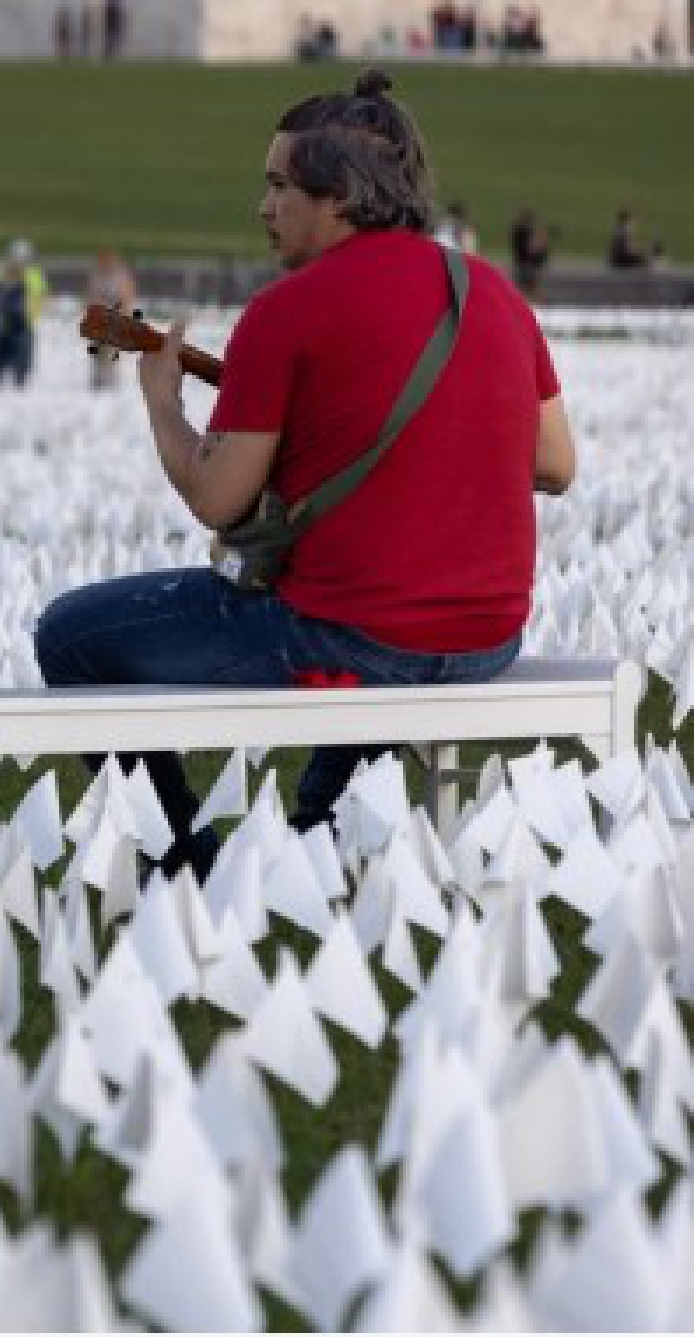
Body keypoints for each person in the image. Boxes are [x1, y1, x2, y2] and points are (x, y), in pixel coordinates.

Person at [33, 67, 575, 877]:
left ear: (341, 196)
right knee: (368, 610)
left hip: (355, 637)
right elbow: (556, 465)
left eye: (281, 185)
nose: (265, 206)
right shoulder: (490, 292)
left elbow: (220, 499)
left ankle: (188, 857)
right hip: (488, 635)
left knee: (71, 636)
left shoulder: (286, 312)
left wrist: (163, 405)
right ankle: (319, 827)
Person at [0, 238, 49, 388]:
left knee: (22, 360)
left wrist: (33, 314)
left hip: (24, 322)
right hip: (5, 320)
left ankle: (18, 383)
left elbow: (43, 296)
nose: (19, 263)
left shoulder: (34, 274)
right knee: (0, 358)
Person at [86, 247, 139, 391]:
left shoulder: (121, 277)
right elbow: (91, 297)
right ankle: (98, 378)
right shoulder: (97, 276)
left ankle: (110, 379)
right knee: (97, 351)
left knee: (111, 350)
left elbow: (127, 298)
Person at [508, 207, 551, 298]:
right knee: (530, 288)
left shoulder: (518, 230)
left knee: (522, 289)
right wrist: (542, 241)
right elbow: (532, 248)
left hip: (522, 263)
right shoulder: (524, 232)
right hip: (528, 264)